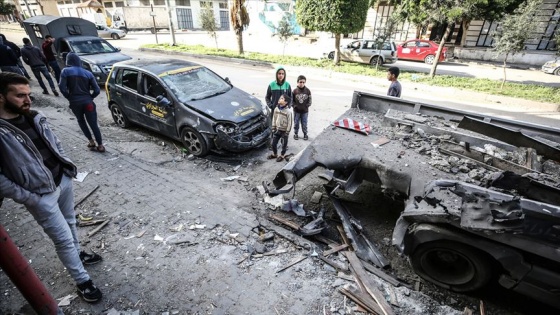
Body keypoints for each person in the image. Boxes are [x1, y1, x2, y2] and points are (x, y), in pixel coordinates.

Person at [0, 72, 103, 303]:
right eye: (19, 96)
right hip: (40, 196)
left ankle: (78, 255)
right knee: (63, 239)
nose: (28, 100)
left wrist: (69, 169)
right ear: (1, 97)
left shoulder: (34, 116)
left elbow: (56, 144)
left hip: (63, 181)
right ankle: (82, 281)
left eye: (29, 94)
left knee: (71, 223)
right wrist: (28, 197)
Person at [59, 52, 105, 152]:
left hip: (75, 103)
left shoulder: (65, 71)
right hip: (88, 103)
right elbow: (97, 90)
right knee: (93, 124)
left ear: (68, 61)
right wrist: (90, 98)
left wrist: (69, 97)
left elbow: (62, 87)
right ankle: (100, 145)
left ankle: (91, 142)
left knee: (81, 121)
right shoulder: (88, 73)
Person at [267, 94, 293, 162]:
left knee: (284, 144)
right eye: (280, 98)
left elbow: (290, 123)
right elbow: (274, 119)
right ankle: (275, 154)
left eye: (282, 98)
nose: (279, 99)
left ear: (286, 102)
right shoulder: (276, 109)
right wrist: (273, 128)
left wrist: (287, 132)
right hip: (277, 130)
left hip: (284, 131)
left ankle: (282, 155)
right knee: (273, 143)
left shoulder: (288, 112)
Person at [292, 75, 312, 141]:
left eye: (303, 82)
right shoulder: (294, 91)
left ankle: (305, 134)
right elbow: (292, 101)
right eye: (300, 82)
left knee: (304, 123)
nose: (302, 84)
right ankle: (296, 133)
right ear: (297, 82)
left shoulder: (308, 91)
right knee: (296, 123)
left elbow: (310, 100)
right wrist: (295, 106)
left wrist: (306, 106)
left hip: (305, 111)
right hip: (296, 111)